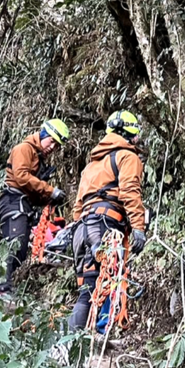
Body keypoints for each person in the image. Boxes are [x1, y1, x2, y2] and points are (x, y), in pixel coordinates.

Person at [68, 110, 148, 335]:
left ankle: (73, 345)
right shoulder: (127, 157)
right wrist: (138, 227)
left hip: (83, 229)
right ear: (129, 133)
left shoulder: (92, 165)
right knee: (109, 280)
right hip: (105, 225)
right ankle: (102, 337)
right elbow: (130, 191)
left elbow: (78, 206)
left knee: (87, 289)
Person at [0, 119, 71, 294]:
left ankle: (9, 285)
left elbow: (32, 189)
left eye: (56, 145)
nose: (52, 147)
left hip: (24, 204)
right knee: (15, 243)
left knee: (21, 249)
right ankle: (3, 287)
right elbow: (21, 176)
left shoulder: (38, 157)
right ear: (43, 134)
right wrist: (50, 190)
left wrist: (48, 199)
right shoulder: (24, 149)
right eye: (51, 141)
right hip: (13, 201)